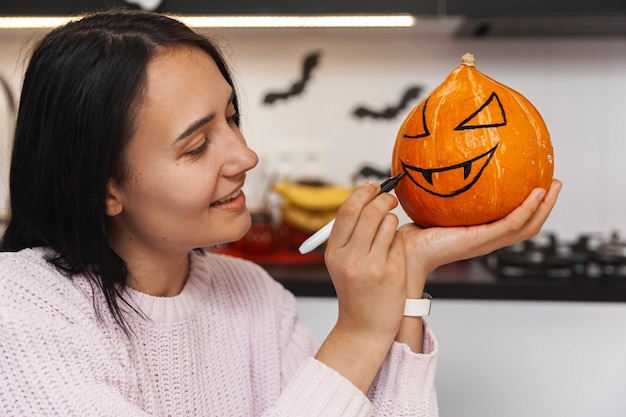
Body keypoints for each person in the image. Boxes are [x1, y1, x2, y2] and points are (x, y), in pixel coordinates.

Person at [0, 8, 561, 416]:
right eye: (196, 146)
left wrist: (407, 275)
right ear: (100, 187)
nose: (246, 156)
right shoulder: (20, 311)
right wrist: (359, 331)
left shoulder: (251, 294)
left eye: (233, 117)